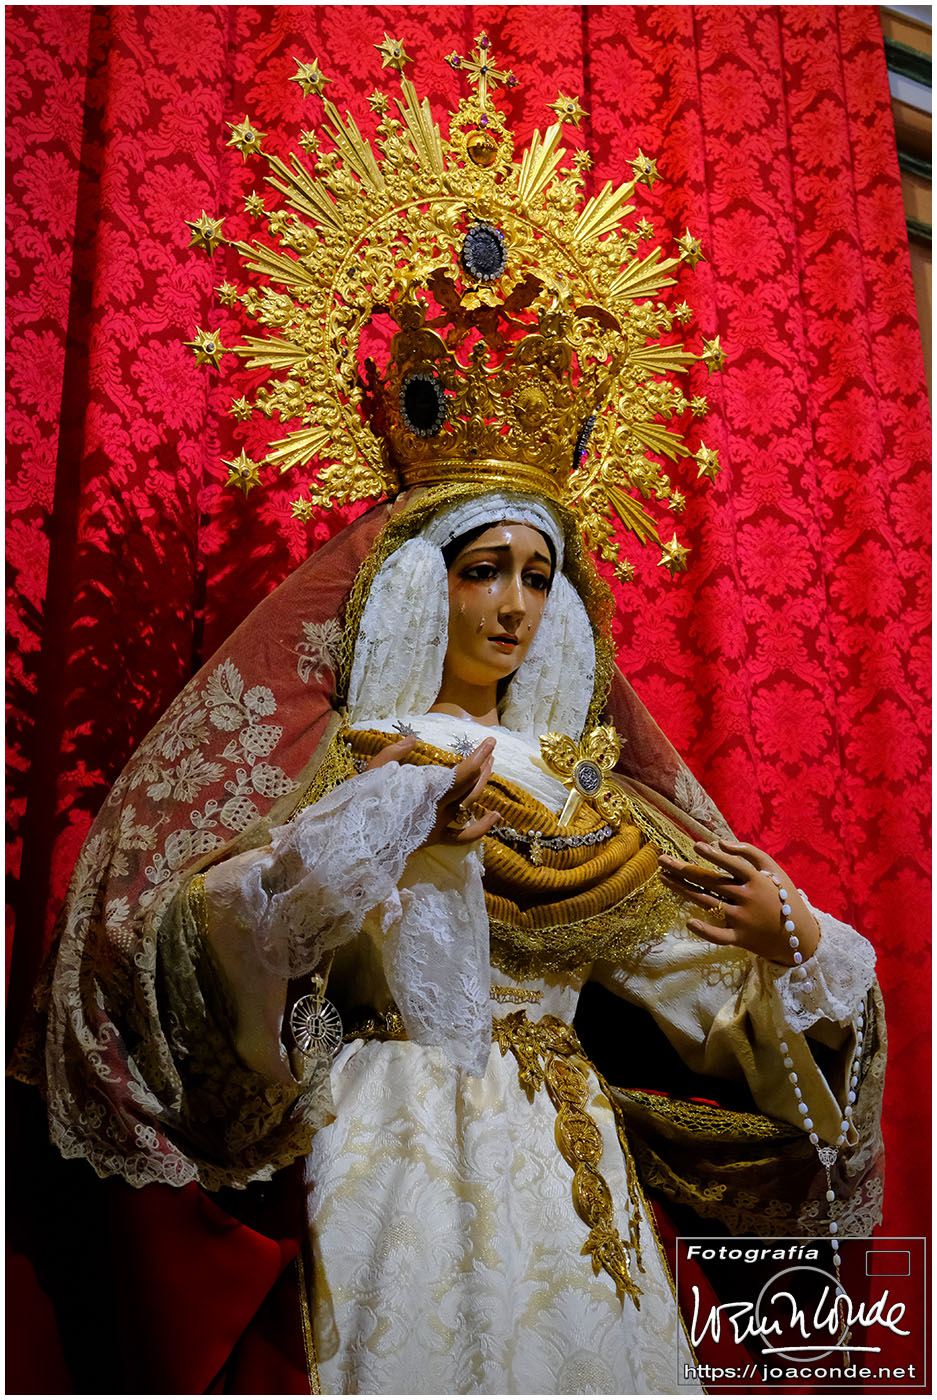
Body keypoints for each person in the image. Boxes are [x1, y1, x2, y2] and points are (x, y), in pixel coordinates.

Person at [9, 32, 885, 1396]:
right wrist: (378, 838)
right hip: (394, 1137)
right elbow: (208, 929)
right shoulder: (362, 766)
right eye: (484, 569)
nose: (515, 604)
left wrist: (801, 948)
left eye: (539, 575)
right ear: (423, 583)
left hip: (566, 1168)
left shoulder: (589, 796)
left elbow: (699, 1003)